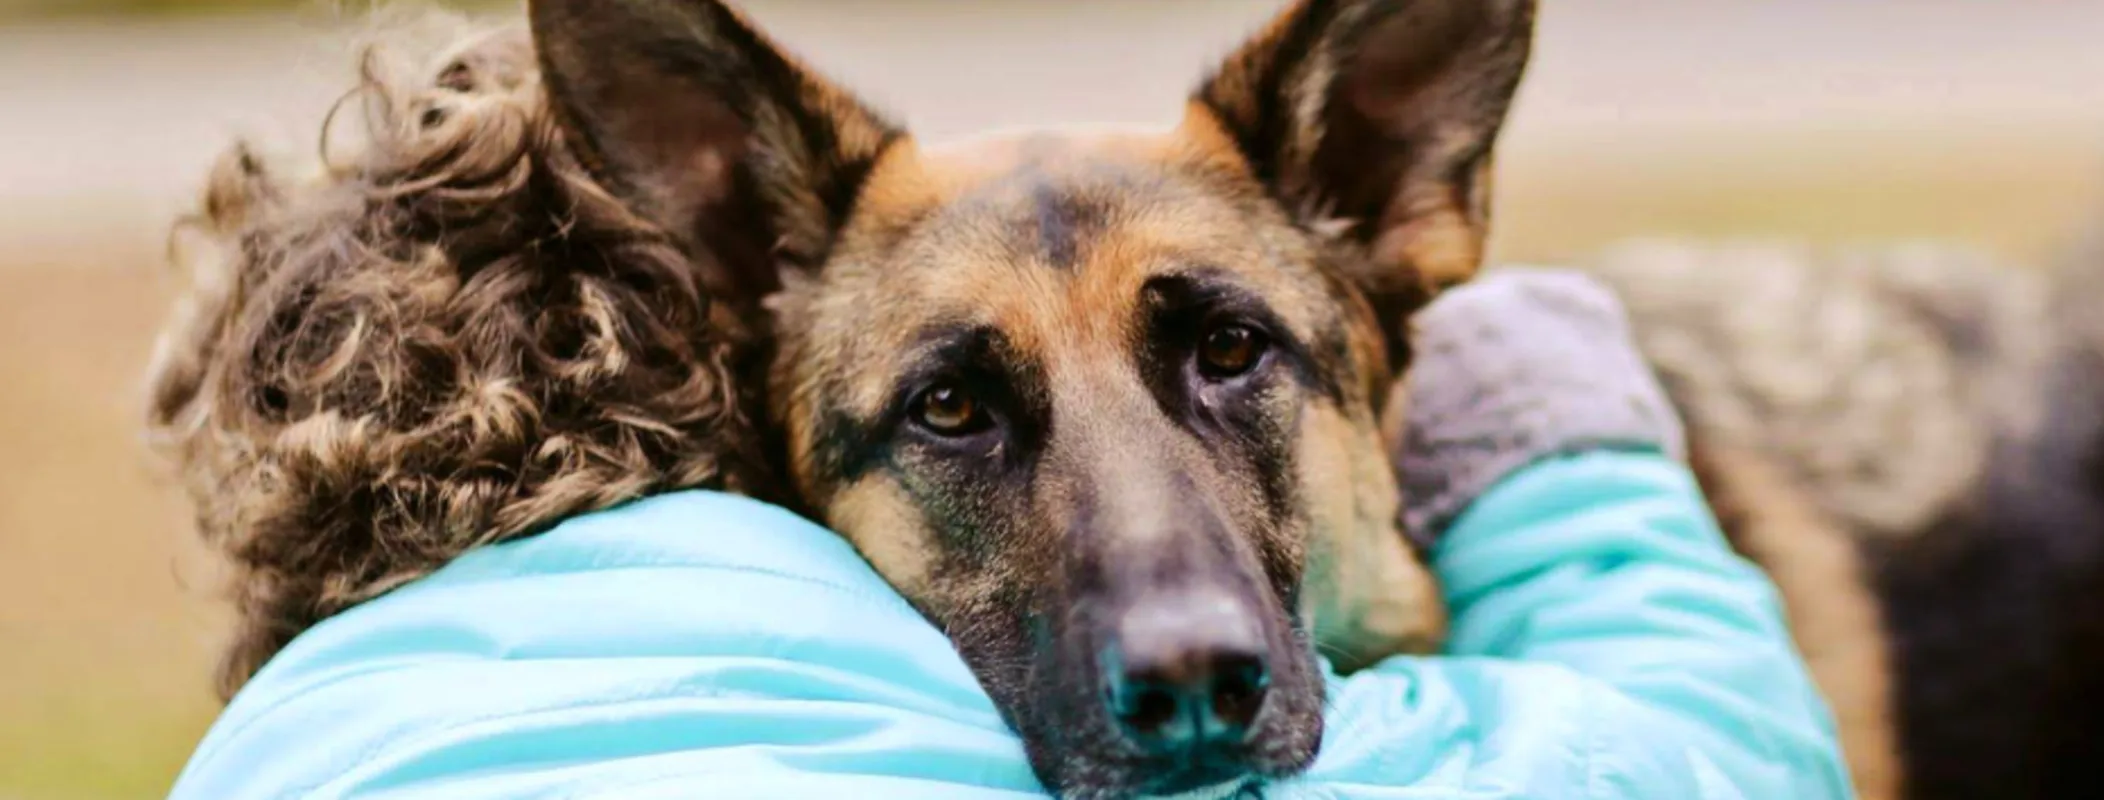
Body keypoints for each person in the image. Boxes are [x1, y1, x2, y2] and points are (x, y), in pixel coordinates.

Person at [165, 271, 1857, 799]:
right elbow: (1708, 753)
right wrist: (1546, 437)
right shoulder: (876, 711)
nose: (1176, 637)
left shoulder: (271, 741)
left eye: (1225, 356)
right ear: (753, 448)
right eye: (957, 413)